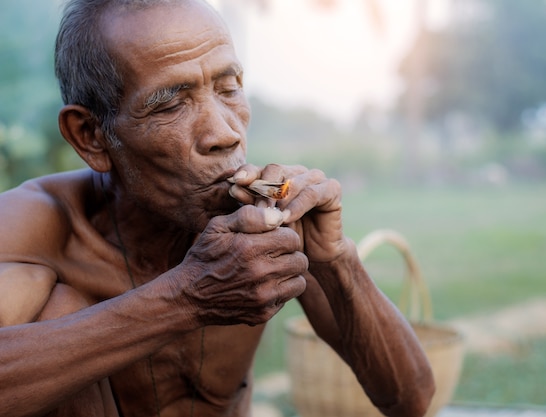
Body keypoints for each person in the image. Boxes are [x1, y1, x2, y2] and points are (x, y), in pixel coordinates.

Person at [0, 0, 435, 416]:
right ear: (90, 136)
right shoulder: (34, 226)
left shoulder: (268, 223)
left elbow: (410, 401)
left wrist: (335, 260)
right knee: (57, 309)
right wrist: (186, 299)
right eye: (171, 103)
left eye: (228, 89)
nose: (225, 134)